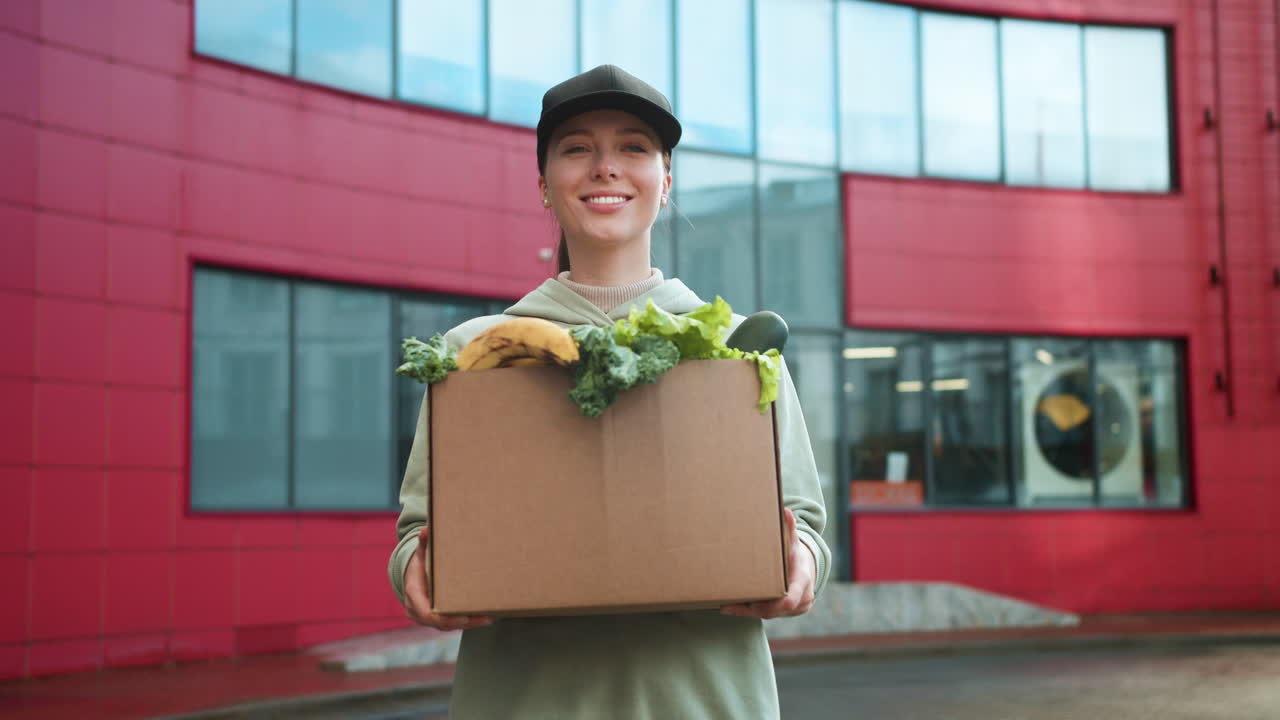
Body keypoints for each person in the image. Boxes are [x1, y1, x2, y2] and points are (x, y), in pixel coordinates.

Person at [389, 64, 830, 719]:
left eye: (633, 147)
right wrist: (417, 577)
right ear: (543, 183)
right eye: (576, 149)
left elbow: (807, 526)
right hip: (525, 701)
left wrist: (798, 565)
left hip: (706, 701)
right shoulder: (474, 355)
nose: (606, 167)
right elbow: (417, 534)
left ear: (666, 179)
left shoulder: (741, 347)